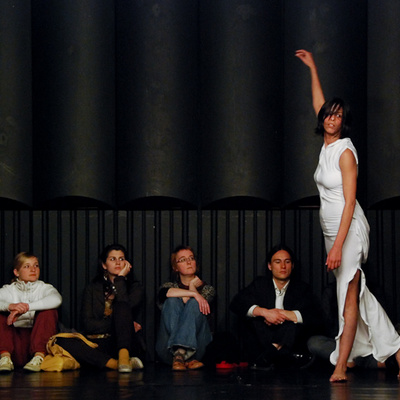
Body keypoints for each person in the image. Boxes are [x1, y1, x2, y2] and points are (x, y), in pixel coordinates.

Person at [296, 49, 400, 382]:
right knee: (360, 294)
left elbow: (351, 201)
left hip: (349, 231)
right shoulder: (326, 146)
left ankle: (341, 366)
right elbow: (319, 102)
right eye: (328, 114)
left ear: (344, 121)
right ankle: (396, 349)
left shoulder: (345, 152)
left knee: (349, 293)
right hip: (332, 231)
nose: (331, 118)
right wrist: (313, 68)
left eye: (338, 116)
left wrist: (338, 246)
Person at [230, 244, 322, 371]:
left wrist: (281, 314)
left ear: (292, 265)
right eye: (277, 262)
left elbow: (313, 315)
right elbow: (237, 303)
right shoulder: (260, 284)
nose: (283, 266)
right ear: (270, 266)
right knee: (254, 319)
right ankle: (278, 351)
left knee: (295, 324)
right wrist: (265, 313)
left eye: (287, 262)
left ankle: (271, 352)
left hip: (289, 340)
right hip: (264, 337)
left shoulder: (301, 288)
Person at [56, 244, 144, 373]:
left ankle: (124, 357)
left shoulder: (135, 288)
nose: (118, 262)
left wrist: (120, 279)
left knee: (121, 308)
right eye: (112, 259)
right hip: (97, 342)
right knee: (61, 341)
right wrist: (124, 324)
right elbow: (88, 324)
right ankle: (116, 364)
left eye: (121, 259)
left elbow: (125, 309)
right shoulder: (92, 288)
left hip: (123, 342)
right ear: (104, 265)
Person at [156, 245, 215, 371]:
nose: (188, 262)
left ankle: (180, 354)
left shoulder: (207, 289)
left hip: (197, 351)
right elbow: (164, 293)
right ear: (175, 267)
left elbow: (193, 303)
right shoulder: (169, 286)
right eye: (182, 260)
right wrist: (193, 293)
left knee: (194, 304)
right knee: (172, 301)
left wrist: (193, 287)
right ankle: (179, 354)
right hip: (167, 351)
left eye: (191, 258)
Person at [0, 252, 61, 372]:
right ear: (16, 272)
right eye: (27, 266)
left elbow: (57, 299)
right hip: (14, 346)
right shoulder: (8, 289)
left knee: (48, 311)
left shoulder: (45, 288)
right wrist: (10, 306)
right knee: (1, 314)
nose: (33, 269)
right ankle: (4, 358)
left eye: (36, 266)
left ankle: (39, 358)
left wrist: (27, 307)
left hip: (38, 344)